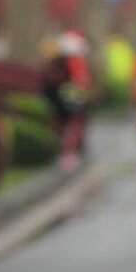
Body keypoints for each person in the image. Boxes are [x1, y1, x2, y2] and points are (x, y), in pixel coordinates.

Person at [41, 29, 93, 168]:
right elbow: (81, 82)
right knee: (70, 128)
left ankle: (66, 152)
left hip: (66, 103)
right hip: (72, 104)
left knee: (64, 128)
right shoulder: (72, 63)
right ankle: (67, 153)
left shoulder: (57, 64)